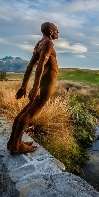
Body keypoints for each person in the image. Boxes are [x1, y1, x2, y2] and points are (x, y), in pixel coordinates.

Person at [7, 22, 59, 154]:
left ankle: (13, 141)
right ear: (51, 32)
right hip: (46, 85)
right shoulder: (48, 43)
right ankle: (16, 147)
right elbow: (40, 65)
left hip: (42, 84)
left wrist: (24, 86)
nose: (58, 32)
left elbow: (30, 66)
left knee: (25, 111)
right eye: (56, 30)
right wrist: (36, 88)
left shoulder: (39, 44)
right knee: (30, 113)